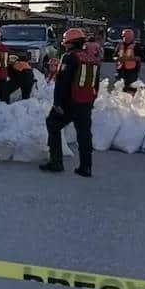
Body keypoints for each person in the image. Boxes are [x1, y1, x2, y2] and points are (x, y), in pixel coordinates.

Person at [40, 28, 99, 177]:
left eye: (66, 43)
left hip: (69, 102)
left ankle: (56, 162)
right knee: (84, 134)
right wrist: (92, 100)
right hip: (86, 101)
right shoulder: (91, 58)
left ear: (70, 43)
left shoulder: (69, 57)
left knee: (52, 124)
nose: (64, 45)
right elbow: (95, 83)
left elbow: (62, 82)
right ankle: (86, 167)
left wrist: (57, 103)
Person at [114, 28, 142, 94]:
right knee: (120, 88)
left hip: (132, 71)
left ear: (131, 37)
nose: (125, 38)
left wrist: (129, 59)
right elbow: (114, 56)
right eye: (123, 37)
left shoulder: (136, 46)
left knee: (131, 88)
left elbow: (140, 58)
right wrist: (117, 59)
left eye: (126, 37)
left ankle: (131, 101)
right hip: (120, 70)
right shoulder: (120, 45)